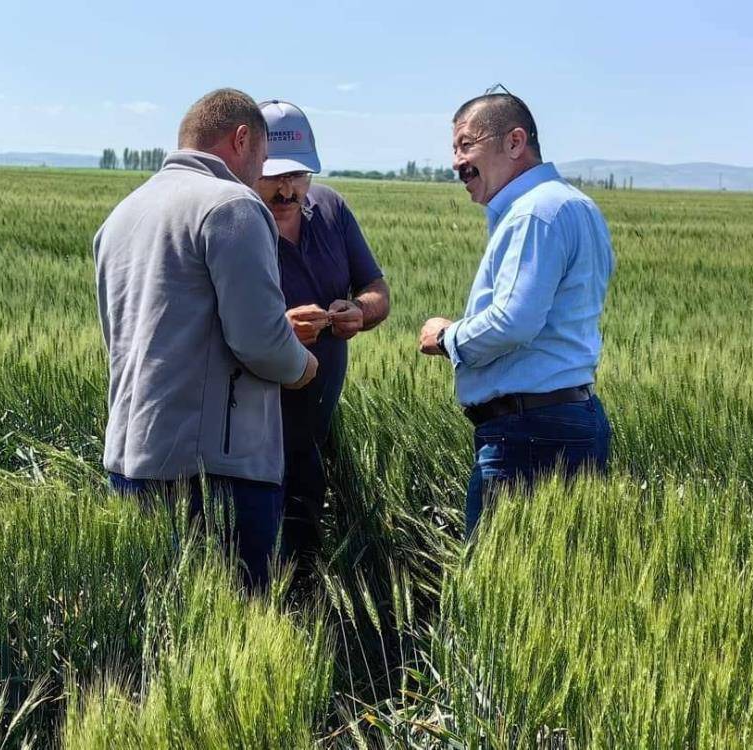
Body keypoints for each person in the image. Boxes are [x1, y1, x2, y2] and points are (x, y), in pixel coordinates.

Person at [93, 88, 318, 589]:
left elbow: (120, 337)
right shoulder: (231, 205)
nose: (263, 174)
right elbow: (259, 339)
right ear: (242, 138)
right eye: (262, 157)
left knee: (162, 629)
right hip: (216, 471)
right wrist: (303, 365)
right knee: (234, 629)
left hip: (131, 458)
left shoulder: (122, 215)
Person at [418, 87, 614, 536]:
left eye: (467, 144)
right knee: (559, 583)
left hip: (527, 432)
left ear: (514, 142)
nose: (456, 161)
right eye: (454, 149)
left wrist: (447, 338)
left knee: (490, 583)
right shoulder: (577, 205)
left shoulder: (533, 213)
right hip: (570, 417)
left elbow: (514, 321)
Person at [255, 100, 390, 578]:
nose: (287, 189)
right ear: (249, 165)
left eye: (298, 175)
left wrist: (360, 312)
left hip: (315, 425)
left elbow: (377, 290)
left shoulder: (331, 208)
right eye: (273, 176)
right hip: (254, 433)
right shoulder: (234, 223)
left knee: (305, 549)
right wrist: (278, 331)